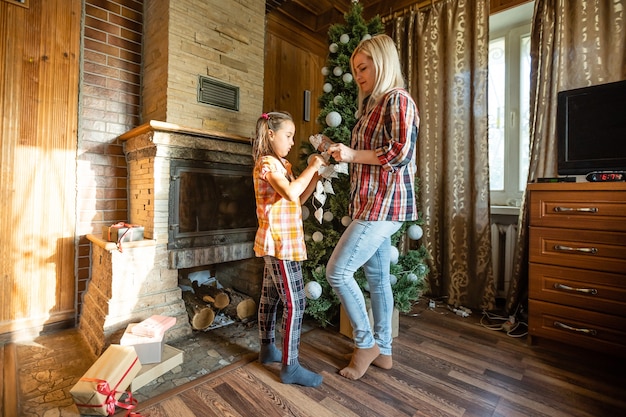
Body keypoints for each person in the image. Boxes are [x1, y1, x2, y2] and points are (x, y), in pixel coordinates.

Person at [326, 34, 419, 380]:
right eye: (356, 69)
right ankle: (385, 351)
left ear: (382, 62)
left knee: (337, 272)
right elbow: (367, 156)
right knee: (379, 280)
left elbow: (401, 153)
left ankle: (365, 343)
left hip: (383, 205)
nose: (359, 76)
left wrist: (351, 155)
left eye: (363, 67)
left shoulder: (398, 99)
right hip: (371, 202)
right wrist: (339, 153)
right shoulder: (371, 106)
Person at [252, 111, 326, 387]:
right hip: (279, 243)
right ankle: (290, 366)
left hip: (285, 242)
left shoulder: (283, 165)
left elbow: (298, 198)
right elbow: (290, 193)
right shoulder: (267, 163)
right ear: (271, 134)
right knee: (296, 303)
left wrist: (315, 177)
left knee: (270, 296)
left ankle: (267, 348)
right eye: (289, 136)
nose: (293, 142)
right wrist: (311, 166)